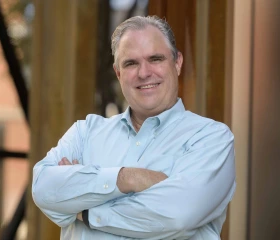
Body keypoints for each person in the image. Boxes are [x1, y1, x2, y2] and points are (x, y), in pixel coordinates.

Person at [32, 15, 236, 240]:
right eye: (131, 63)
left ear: (177, 63)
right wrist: (128, 178)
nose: (144, 73)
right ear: (118, 72)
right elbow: (43, 188)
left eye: (155, 59)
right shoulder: (86, 131)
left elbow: (178, 215)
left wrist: (84, 210)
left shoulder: (211, 138)